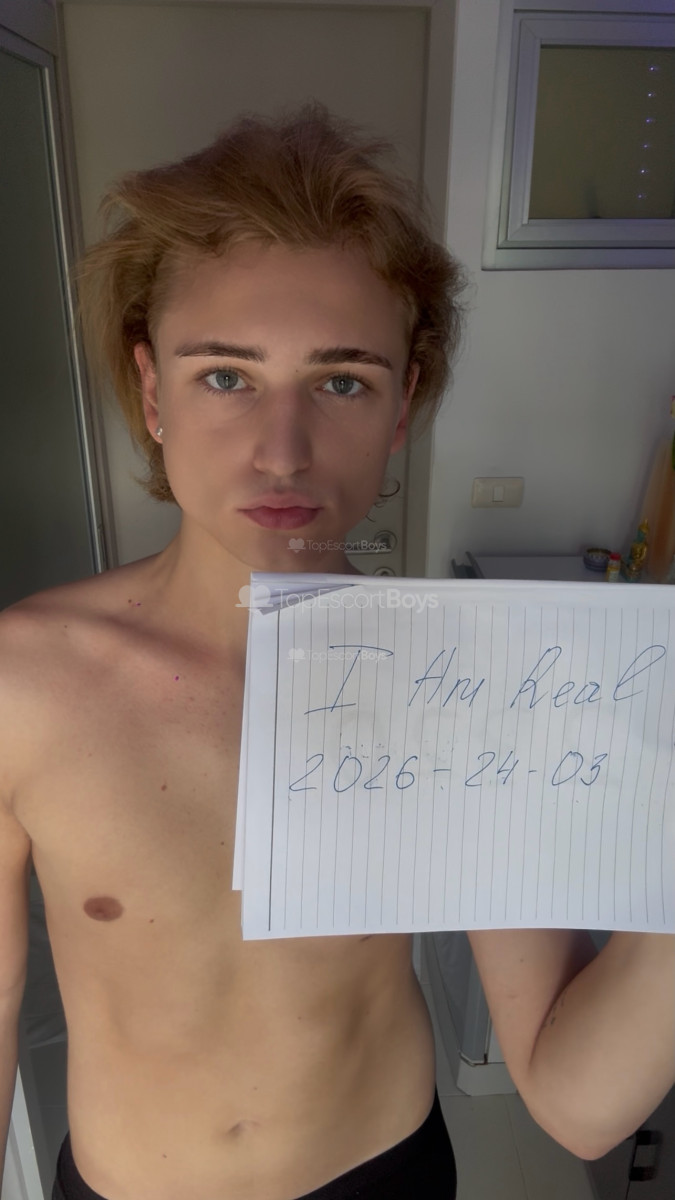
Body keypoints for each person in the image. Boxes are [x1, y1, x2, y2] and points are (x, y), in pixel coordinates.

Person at [0, 101, 673, 1200]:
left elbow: (578, 1100)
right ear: (154, 391)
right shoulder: (22, 684)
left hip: (383, 1172)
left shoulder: (469, 688)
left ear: (402, 408)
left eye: (343, 381)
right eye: (226, 376)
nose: (283, 450)